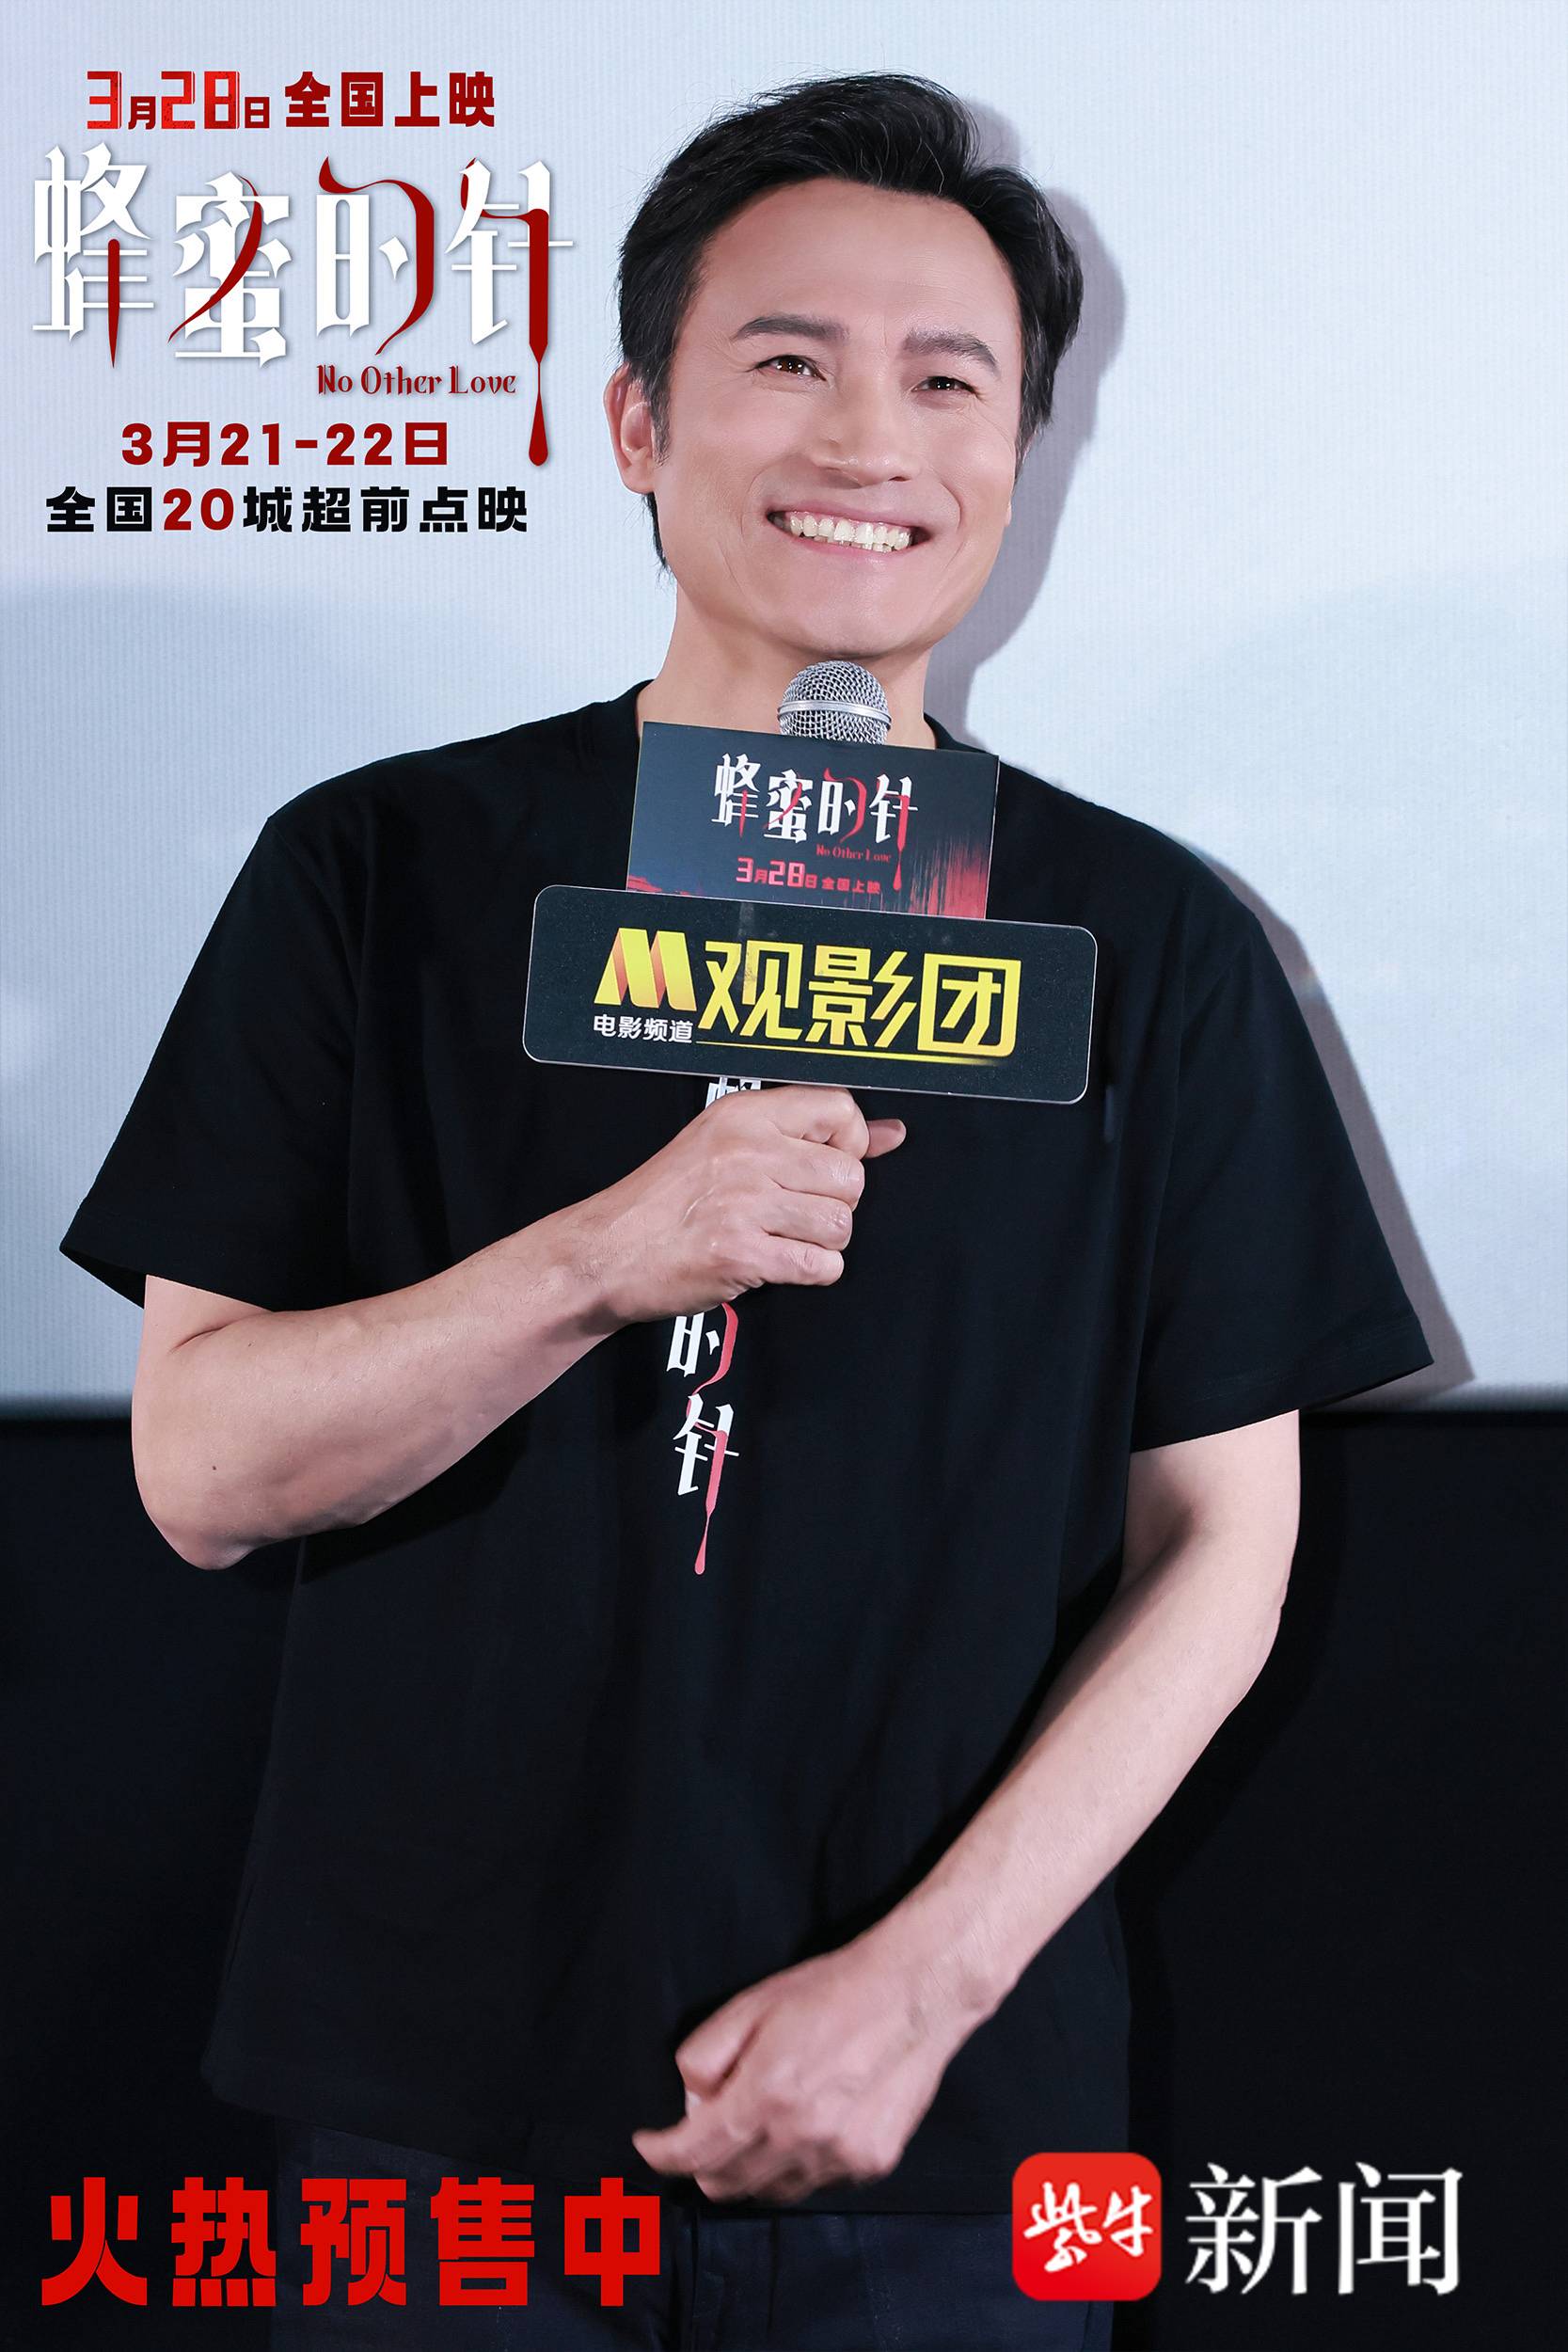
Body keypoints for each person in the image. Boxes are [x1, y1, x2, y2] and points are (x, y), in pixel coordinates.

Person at [59, 71, 1433, 2352]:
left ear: (1023, 454)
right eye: (790, 359)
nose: (870, 437)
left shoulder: (1153, 942)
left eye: (950, 381)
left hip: (966, 2131)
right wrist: (606, 1254)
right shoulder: (378, 870)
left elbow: (1225, 1544)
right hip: (438, 2118)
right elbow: (203, 1470)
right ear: (636, 420)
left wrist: (924, 1986)